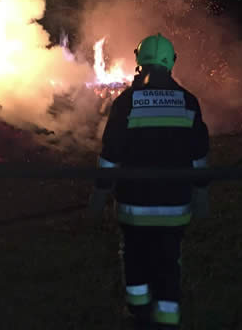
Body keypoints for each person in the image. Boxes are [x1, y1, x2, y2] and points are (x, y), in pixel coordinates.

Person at [88, 33, 210, 329]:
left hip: (134, 207)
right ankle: (168, 318)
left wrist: (99, 197)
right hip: (175, 207)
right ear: (171, 62)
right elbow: (199, 157)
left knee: (134, 259)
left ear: (139, 62)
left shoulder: (126, 103)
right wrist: (201, 196)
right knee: (169, 262)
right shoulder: (188, 101)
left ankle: (138, 315)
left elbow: (110, 156)